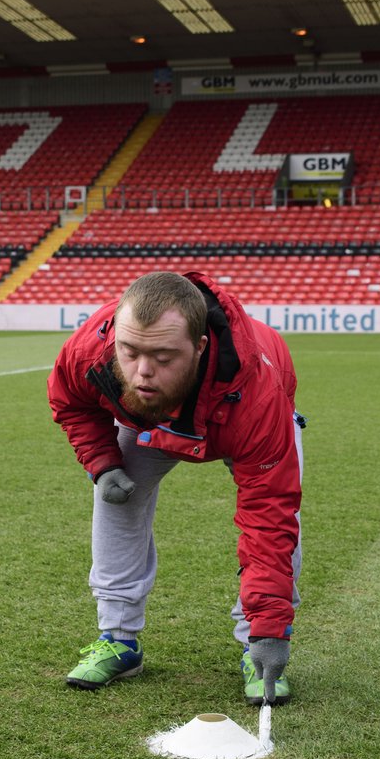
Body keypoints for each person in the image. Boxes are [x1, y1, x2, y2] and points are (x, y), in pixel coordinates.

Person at [47, 270, 303, 705]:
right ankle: (118, 639)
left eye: (164, 358)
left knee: (282, 520)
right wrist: (103, 463)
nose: (143, 373)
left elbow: (269, 512)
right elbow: (71, 402)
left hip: (233, 416)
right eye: (130, 353)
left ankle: (254, 648)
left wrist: (269, 628)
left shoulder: (259, 395)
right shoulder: (91, 347)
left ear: (199, 347)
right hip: (148, 423)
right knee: (114, 500)